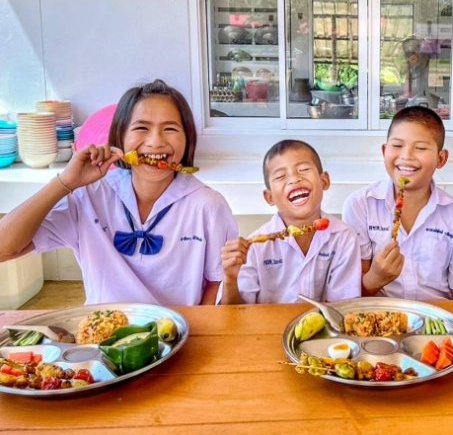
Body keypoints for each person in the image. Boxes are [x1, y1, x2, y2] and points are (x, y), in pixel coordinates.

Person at [0, 79, 237, 306]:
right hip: (103, 335)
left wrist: (193, 333)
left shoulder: (208, 205)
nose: (155, 142)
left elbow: (217, 282)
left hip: (177, 334)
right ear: (120, 137)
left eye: (170, 129)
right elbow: (5, 248)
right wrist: (65, 182)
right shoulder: (89, 197)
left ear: (187, 140)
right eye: (141, 128)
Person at [343, 106, 453, 300]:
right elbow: (348, 297)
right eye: (397, 145)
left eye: (420, 148)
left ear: (441, 158)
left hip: (437, 320)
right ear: (384, 150)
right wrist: (374, 279)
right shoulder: (360, 206)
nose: (406, 156)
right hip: (378, 317)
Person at [219, 139, 361, 304]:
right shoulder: (254, 247)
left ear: (324, 181)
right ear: (269, 197)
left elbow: (343, 306)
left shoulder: (343, 238)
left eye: (303, 169)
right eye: (280, 176)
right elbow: (236, 315)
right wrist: (230, 279)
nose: (294, 179)